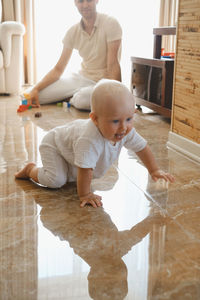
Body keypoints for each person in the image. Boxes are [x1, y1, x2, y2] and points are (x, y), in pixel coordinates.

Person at [15, 79, 175, 208]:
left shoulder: (124, 130)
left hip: (70, 147)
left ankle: (65, 169)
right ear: (95, 119)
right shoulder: (89, 139)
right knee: (56, 181)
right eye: (115, 121)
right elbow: (86, 170)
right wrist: (85, 194)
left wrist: (154, 170)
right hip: (54, 145)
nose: (123, 127)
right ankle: (30, 170)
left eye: (129, 119)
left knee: (73, 174)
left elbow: (142, 147)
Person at [26, 0, 122, 110]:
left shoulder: (111, 23)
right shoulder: (73, 31)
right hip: (81, 79)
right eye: (81, 1)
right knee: (30, 95)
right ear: (75, 3)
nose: (85, 5)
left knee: (83, 100)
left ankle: (72, 98)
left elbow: (113, 64)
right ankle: (72, 96)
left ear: (96, 0)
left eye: (89, 0)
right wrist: (36, 89)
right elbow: (58, 69)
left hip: (102, 82)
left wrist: (117, 96)